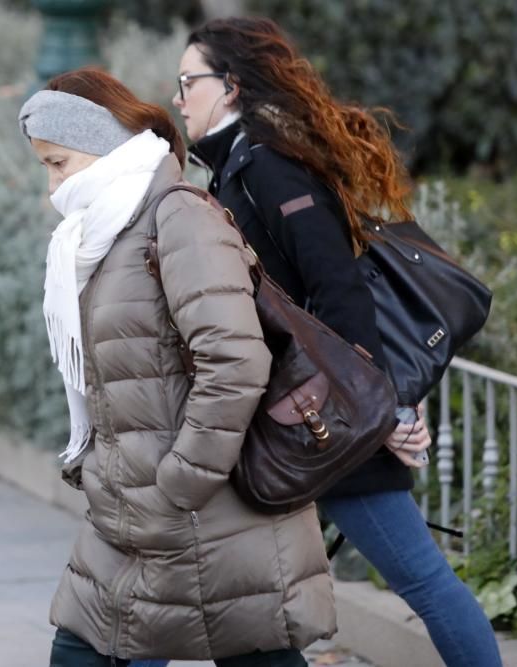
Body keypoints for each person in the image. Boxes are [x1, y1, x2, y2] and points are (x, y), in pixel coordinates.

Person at [172, 18, 502, 667]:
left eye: (189, 81)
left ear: (231, 86)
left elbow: (339, 289)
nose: (179, 96)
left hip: (327, 425)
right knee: (228, 591)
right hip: (294, 422)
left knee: (422, 580)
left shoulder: (268, 169)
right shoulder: (239, 170)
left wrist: (373, 411)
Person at [18, 67, 336, 667]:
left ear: (98, 146)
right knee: (83, 651)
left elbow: (236, 361)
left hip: (206, 517)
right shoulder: (105, 232)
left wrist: (180, 482)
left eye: (58, 164)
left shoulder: (176, 217)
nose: (52, 187)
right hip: (133, 516)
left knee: (255, 652)